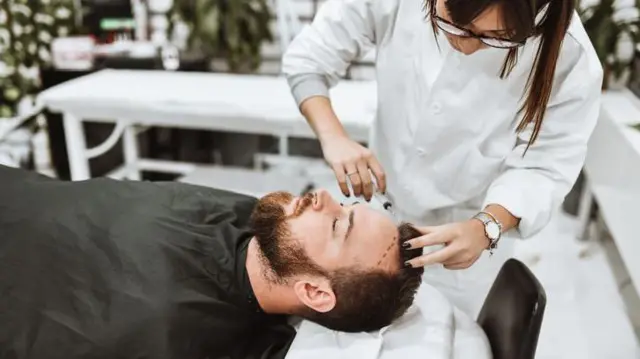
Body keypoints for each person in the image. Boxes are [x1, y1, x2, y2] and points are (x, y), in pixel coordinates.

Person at [282, 0, 603, 316]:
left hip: (463, 236)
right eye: (449, 23)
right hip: (380, 205)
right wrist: (333, 137)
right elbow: (309, 59)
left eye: (495, 37)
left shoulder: (570, 57)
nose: (463, 45)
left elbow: (546, 166)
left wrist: (487, 226)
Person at [0, 165, 423, 359]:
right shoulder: (263, 221)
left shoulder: (182, 334)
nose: (325, 197)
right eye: (345, 205)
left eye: (337, 226)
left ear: (314, 291)